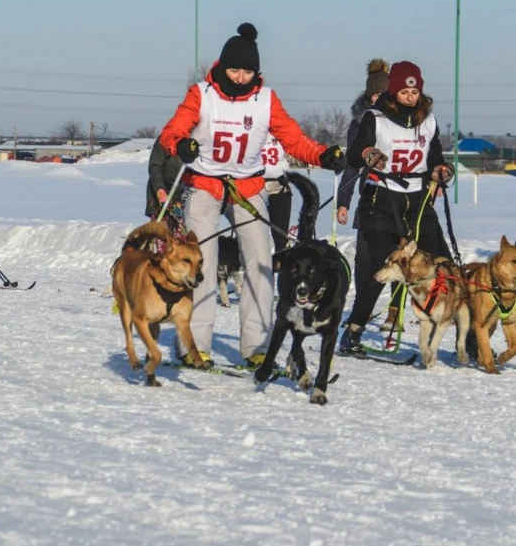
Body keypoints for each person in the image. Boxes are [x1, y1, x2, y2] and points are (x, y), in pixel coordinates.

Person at [160, 22, 345, 367]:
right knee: (203, 262)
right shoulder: (202, 94)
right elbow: (172, 131)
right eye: (235, 69)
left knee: (261, 262)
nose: (241, 77)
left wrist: (322, 155)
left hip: (247, 187)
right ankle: (193, 345)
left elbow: (293, 139)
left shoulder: (265, 99)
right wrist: (181, 144)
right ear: (222, 66)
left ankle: (257, 347)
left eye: (248, 71)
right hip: (204, 183)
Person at [339, 61, 454, 358]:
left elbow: (435, 157)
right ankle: (353, 332)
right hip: (381, 200)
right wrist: (369, 152)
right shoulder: (374, 118)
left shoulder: (428, 121)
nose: (410, 97)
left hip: (417, 202)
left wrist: (441, 170)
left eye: (414, 92)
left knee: (444, 263)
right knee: (381, 267)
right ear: (394, 92)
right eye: (404, 91)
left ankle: (464, 337)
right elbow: (354, 154)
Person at [336, 58, 401, 331]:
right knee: (364, 259)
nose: (377, 100)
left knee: (399, 260)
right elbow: (352, 165)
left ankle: (394, 313)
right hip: (369, 198)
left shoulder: (405, 123)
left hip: (399, 199)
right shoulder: (359, 124)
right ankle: (360, 312)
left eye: (382, 95)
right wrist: (343, 202)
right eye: (373, 95)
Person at [145, 136, 185, 234]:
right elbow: (155, 167)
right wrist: (160, 191)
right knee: (162, 237)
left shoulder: (196, 140)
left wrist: (180, 201)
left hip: (183, 198)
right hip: (160, 197)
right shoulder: (165, 139)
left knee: (184, 237)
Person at [261, 135, 292, 257]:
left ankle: (282, 265)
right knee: (253, 233)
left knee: (280, 234)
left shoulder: (279, 130)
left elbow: (293, 150)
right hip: (255, 187)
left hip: (279, 186)